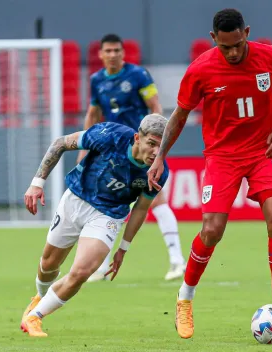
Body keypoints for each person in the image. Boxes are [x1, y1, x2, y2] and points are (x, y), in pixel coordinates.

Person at [147, 9, 272, 339]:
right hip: (222, 157)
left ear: (246, 32)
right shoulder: (201, 70)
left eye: (238, 44)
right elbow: (179, 116)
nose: (233, 53)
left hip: (263, 151)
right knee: (213, 229)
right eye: (226, 47)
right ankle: (185, 300)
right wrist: (160, 156)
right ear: (213, 39)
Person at [20, 114, 169, 337]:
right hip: (76, 199)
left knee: (81, 272)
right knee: (49, 264)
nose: (156, 152)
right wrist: (36, 184)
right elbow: (60, 143)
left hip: (108, 215)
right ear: (138, 138)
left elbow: (140, 208)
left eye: (162, 146)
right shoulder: (109, 135)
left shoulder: (159, 171)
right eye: (151, 144)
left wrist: (123, 248)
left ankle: (35, 317)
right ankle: (40, 298)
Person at [78, 33, 185, 282]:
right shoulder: (97, 81)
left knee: (156, 201)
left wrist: (159, 144)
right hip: (113, 154)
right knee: (106, 205)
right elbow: (93, 114)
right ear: (101, 54)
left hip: (142, 152)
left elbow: (156, 107)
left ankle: (177, 260)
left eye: (117, 50)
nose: (113, 55)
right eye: (108, 51)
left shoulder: (138, 75)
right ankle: (101, 265)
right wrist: (84, 151)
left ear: (123, 53)